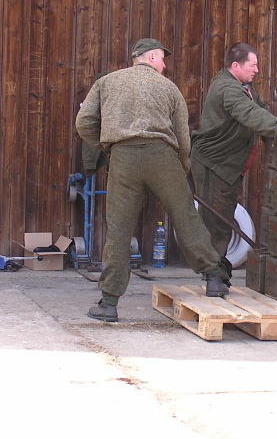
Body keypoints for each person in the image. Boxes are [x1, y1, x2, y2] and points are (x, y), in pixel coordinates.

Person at [76, 38, 232, 322]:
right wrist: (181, 167)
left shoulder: (106, 83)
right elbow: (183, 137)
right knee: (185, 217)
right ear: (150, 58)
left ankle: (109, 303)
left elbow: (84, 122)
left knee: (119, 230)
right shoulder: (169, 88)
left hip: (122, 157)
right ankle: (213, 278)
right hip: (162, 157)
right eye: (162, 59)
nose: (164, 65)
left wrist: (107, 146)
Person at [190, 42, 277, 258]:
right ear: (236, 66)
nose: (257, 70)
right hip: (215, 167)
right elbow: (249, 113)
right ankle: (213, 272)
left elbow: (259, 108)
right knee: (216, 225)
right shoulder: (228, 89)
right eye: (252, 65)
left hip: (226, 166)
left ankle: (217, 269)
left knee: (222, 220)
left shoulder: (244, 87)